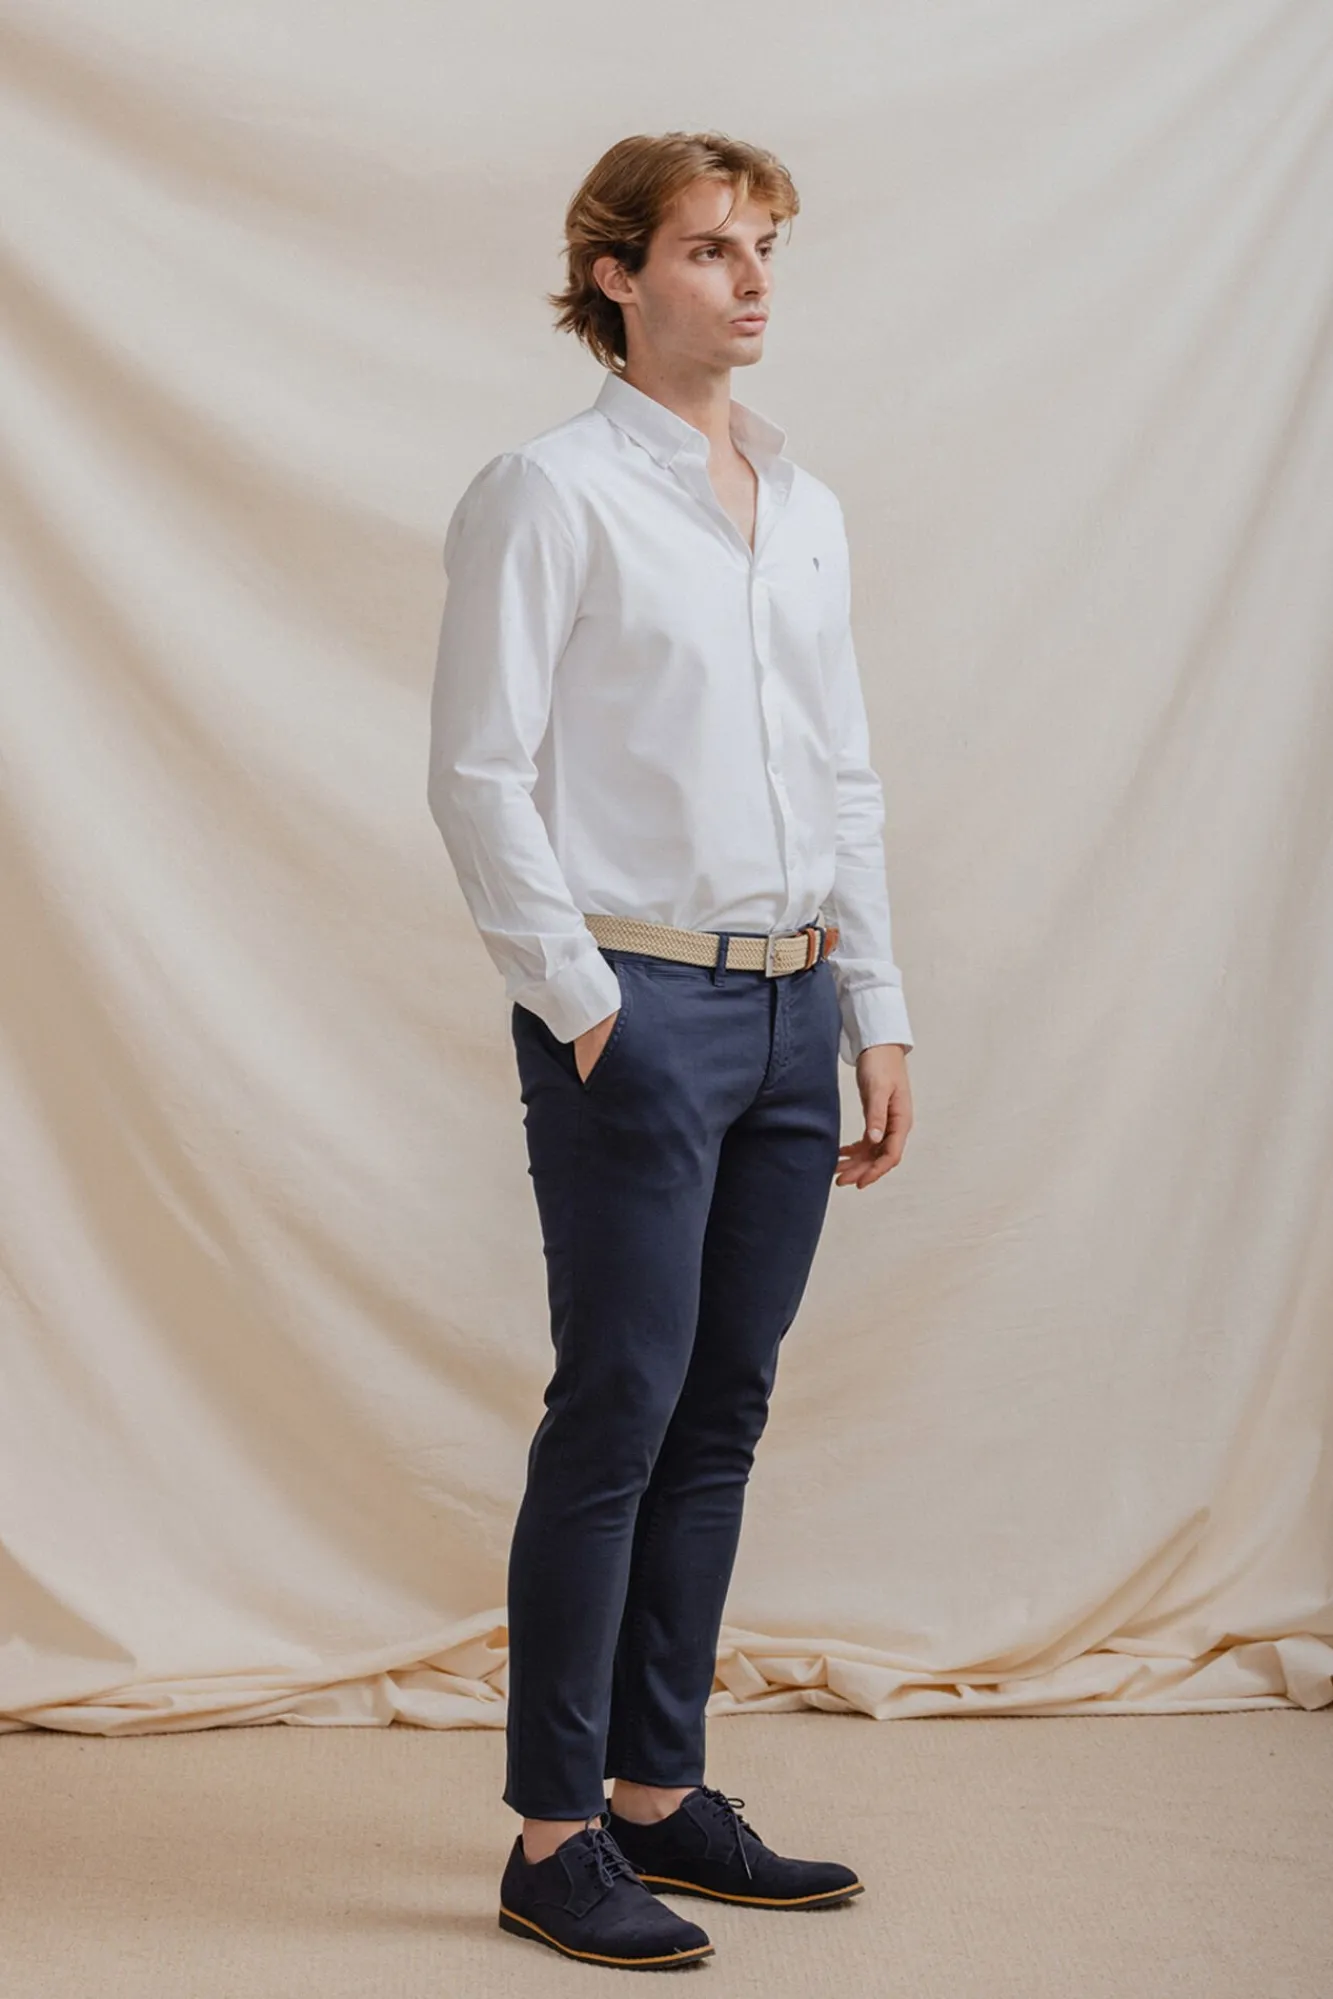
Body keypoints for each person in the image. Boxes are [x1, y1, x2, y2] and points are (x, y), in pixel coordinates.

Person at [427, 128, 915, 1971]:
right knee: (619, 1407)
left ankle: (657, 1794)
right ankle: (552, 1838)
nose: (756, 276)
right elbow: (479, 771)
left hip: (796, 1006)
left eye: (767, 241)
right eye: (714, 246)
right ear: (616, 276)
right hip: (637, 1006)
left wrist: (876, 1009)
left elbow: (845, 773)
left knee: (723, 1410)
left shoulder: (806, 502)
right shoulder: (548, 493)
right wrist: (583, 1002)